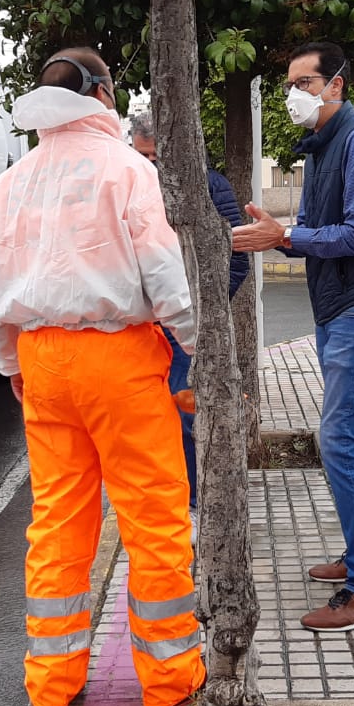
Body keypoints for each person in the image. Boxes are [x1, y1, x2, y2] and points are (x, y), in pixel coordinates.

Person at [0, 48, 204, 706]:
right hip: (119, 358)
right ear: (103, 96)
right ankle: (167, 677)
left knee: (58, 520)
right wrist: (204, 353)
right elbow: (167, 279)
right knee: (152, 515)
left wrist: (12, 366)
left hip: (41, 361)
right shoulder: (128, 171)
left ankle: (51, 680)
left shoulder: (8, 183)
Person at [232, 41, 354, 634]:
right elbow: (317, 228)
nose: (294, 95)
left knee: (338, 438)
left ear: (336, 84)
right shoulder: (327, 145)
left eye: (304, 83)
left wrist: (287, 237)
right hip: (345, 304)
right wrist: (284, 233)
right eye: (290, 83)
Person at [129, 111, 249, 510]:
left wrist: (202, 313)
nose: (147, 167)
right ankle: (170, 498)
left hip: (187, 326)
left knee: (185, 412)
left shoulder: (209, 188)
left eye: (154, 158)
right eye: (140, 157)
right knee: (148, 418)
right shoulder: (129, 190)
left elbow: (237, 259)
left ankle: (197, 500)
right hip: (142, 328)